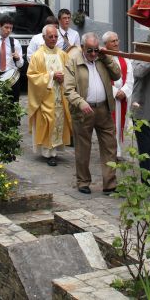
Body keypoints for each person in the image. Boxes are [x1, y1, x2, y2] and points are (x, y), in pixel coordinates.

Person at [63, 32, 121, 195]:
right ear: (82, 48)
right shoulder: (73, 61)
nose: (93, 54)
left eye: (96, 50)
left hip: (104, 108)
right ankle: (83, 181)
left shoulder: (101, 59)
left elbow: (117, 75)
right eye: (90, 50)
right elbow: (68, 89)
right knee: (83, 148)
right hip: (83, 111)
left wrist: (106, 57)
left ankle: (109, 184)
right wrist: (81, 103)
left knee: (110, 146)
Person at [27, 24, 72, 166]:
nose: (53, 39)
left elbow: (70, 73)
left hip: (60, 96)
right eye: (50, 36)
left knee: (59, 121)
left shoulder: (63, 55)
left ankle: (55, 151)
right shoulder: (37, 56)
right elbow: (32, 76)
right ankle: (48, 153)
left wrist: (64, 77)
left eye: (55, 36)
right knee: (48, 122)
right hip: (45, 97)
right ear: (43, 37)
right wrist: (52, 76)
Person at [102, 31, 133, 158]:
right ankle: (110, 151)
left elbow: (130, 77)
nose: (116, 43)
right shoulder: (102, 59)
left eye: (117, 40)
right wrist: (115, 92)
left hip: (122, 98)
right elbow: (101, 78)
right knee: (109, 126)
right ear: (106, 44)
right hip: (109, 98)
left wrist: (124, 91)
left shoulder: (124, 58)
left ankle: (117, 150)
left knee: (120, 125)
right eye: (112, 41)